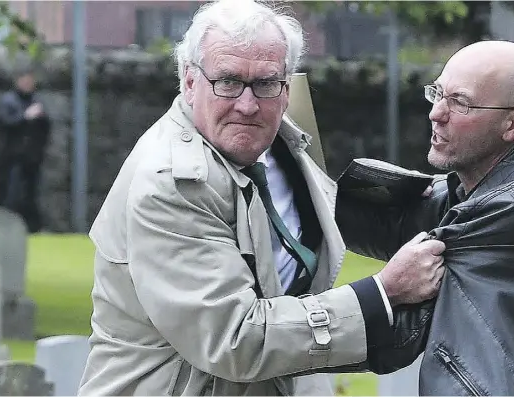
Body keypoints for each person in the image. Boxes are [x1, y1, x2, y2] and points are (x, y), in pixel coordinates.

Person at [77, 0, 446, 395]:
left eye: (266, 83)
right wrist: (382, 293)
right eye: (228, 81)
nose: (248, 104)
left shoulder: (282, 139)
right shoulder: (171, 183)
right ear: (189, 81)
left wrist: (426, 204)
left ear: (287, 88)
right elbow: (237, 340)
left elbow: (303, 238)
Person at [335, 40, 514, 395]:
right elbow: (354, 221)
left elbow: (398, 335)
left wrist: (270, 336)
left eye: (460, 102)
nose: (436, 113)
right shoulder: (472, 191)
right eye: (438, 93)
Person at [0, 66, 50, 232]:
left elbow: (45, 127)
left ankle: (32, 229)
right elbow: (5, 123)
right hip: (12, 158)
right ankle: (6, 228)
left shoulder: (36, 101)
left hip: (32, 159)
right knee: (11, 194)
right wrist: (26, 116)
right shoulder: (9, 101)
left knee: (30, 195)